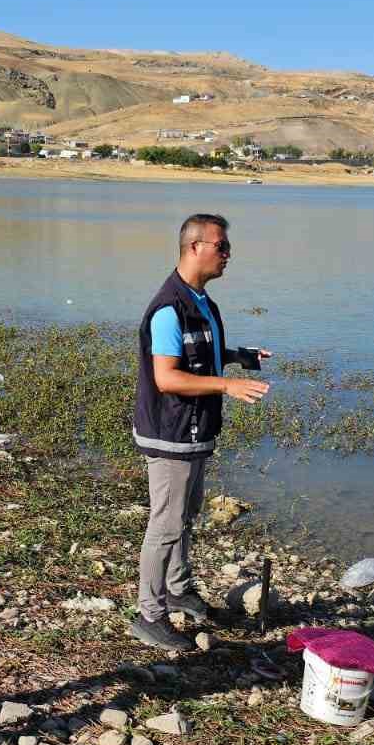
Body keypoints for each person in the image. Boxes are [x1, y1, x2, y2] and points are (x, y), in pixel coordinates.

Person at [130, 213, 271, 649]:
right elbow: (168, 377)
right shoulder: (169, 308)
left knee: (184, 517)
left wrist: (236, 356)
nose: (228, 254)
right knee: (166, 524)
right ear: (195, 247)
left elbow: (198, 352)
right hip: (170, 433)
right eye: (221, 246)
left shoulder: (201, 302)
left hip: (194, 432)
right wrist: (227, 385)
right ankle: (149, 614)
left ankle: (178, 587)